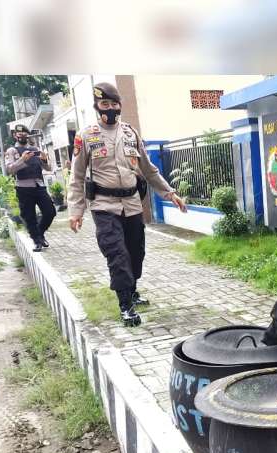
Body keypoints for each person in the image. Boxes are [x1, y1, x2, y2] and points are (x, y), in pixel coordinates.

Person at [66, 82, 187, 327]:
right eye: (104, 104)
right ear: (97, 106)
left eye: (114, 104)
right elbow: (77, 175)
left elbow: (149, 171)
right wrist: (75, 210)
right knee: (117, 255)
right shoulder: (86, 136)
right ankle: (125, 304)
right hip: (103, 206)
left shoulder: (131, 133)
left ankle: (131, 289)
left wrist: (170, 193)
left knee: (135, 253)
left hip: (132, 204)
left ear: (120, 105)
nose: (110, 108)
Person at [4, 124, 56, 252]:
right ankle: (37, 241)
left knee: (50, 211)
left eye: (24, 133)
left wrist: (44, 160)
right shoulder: (12, 151)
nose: (21, 136)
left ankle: (39, 232)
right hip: (23, 187)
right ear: (15, 135)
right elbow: (10, 170)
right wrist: (22, 159)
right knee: (29, 216)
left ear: (28, 135)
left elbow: (48, 169)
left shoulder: (35, 149)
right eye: (18, 134)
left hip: (39, 185)